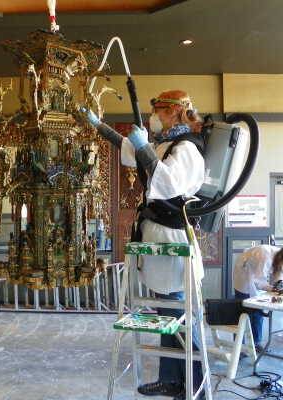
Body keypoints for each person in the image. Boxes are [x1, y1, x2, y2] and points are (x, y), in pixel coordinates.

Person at [81, 90, 206, 399]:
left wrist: (144, 148)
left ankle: (195, 385)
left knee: (180, 313)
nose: (154, 117)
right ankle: (171, 379)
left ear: (174, 112)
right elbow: (130, 149)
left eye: (159, 111)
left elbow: (169, 184)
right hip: (156, 237)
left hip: (172, 239)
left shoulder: (187, 148)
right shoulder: (164, 144)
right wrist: (99, 125)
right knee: (167, 314)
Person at [234, 245, 283, 352]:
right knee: (242, 311)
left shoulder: (278, 257)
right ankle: (239, 347)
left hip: (255, 274)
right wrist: (273, 288)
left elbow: (278, 273)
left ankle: (256, 343)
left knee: (258, 311)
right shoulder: (265, 256)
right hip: (243, 272)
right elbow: (258, 281)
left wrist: (279, 285)